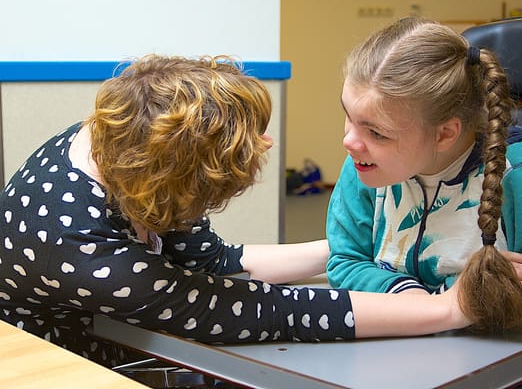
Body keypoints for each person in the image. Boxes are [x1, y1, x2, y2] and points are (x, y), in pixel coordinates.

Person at [0, 54, 471, 370]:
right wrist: (447, 308)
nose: (266, 144)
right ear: (180, 181)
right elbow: (269, 311)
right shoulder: (85, 250)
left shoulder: (116, 138)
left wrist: (363, 248)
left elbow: (216, 263)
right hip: (57, 364)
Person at [326, 17, 522, 332]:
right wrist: (428, 303)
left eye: (376, 132)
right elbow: (345, 261)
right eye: (349, 116)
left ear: (444, 135)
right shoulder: (366, 164)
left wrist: (476, 296)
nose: (349, 141)